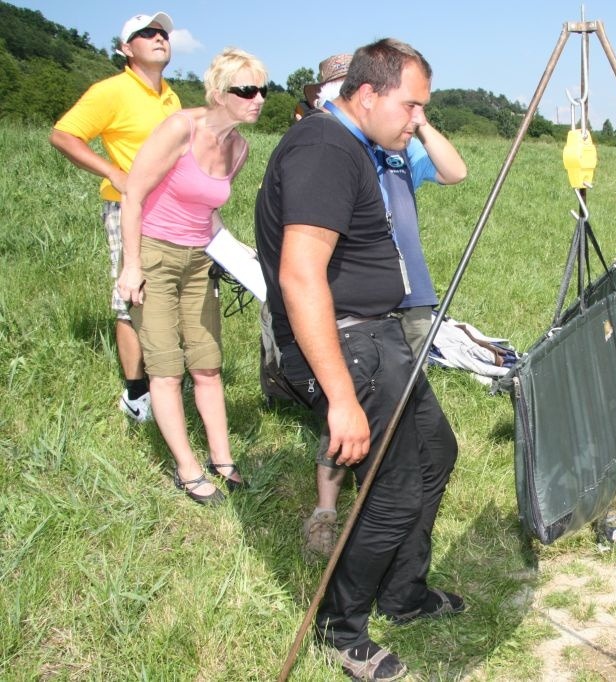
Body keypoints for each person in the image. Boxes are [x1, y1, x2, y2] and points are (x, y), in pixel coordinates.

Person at [255, 38, 462, 680]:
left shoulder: (357, 145)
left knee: (437, 452)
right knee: (392, 491)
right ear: (367, 94)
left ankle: (402, 594)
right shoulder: (323, 147)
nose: (415, 120)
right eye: (411, 106)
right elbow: (299, 276)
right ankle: (340, 629)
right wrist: (341, 397)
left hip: (378, 335)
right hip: (349, 344)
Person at [296, 52, 466, 560]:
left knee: (405, 414)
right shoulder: (336, 149)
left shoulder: (396, 150)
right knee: (346, 402)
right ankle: (329, 508)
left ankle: (390, 499)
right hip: (356, 315)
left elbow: (455, 171)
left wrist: (418, 119)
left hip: (407, 298)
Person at [117, 48, 267, 504]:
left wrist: (243, 257)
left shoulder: (238, 148)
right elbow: (133, 196)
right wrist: (132, 265)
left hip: (200, 260)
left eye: (263, 89)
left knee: (206, 363)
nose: (258, 98)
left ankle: (222, 459)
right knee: (165, 369)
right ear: (219, 94)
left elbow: (209, 214)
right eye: (247, 90)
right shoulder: (181, 128)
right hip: (156, 256)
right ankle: (187, 469)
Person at [50, 11, 180, 424]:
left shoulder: (171, 97)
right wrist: (112, 171)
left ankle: (167, 378)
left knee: (166, 294)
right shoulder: (111, 91)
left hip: (172, 212)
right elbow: (63, 134)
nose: (159, 38)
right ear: (126, 49)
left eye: (163, 33)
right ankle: (136, 394)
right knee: (131, 294)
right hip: (130, 208)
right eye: (146, 33)